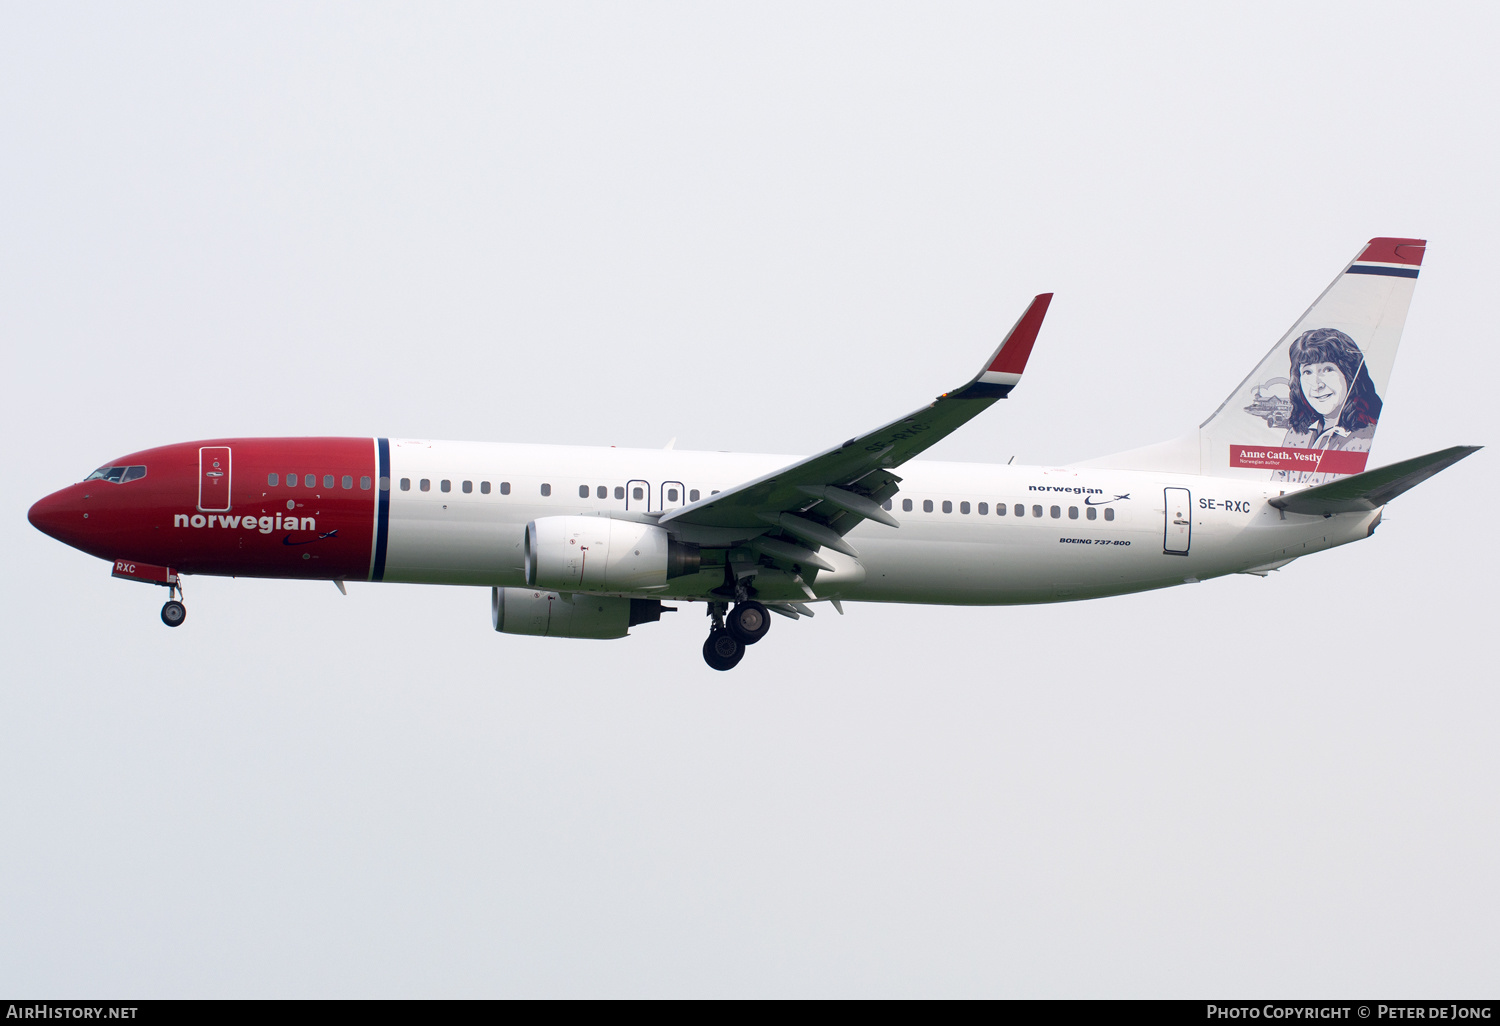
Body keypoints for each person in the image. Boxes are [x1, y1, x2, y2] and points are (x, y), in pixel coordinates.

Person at [1272, 328, 1382, 484]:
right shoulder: (1297, 434)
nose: (1317, 385)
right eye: (1308, 372)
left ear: (1350, 375)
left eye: (1327, 370)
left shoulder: (1366, 438)